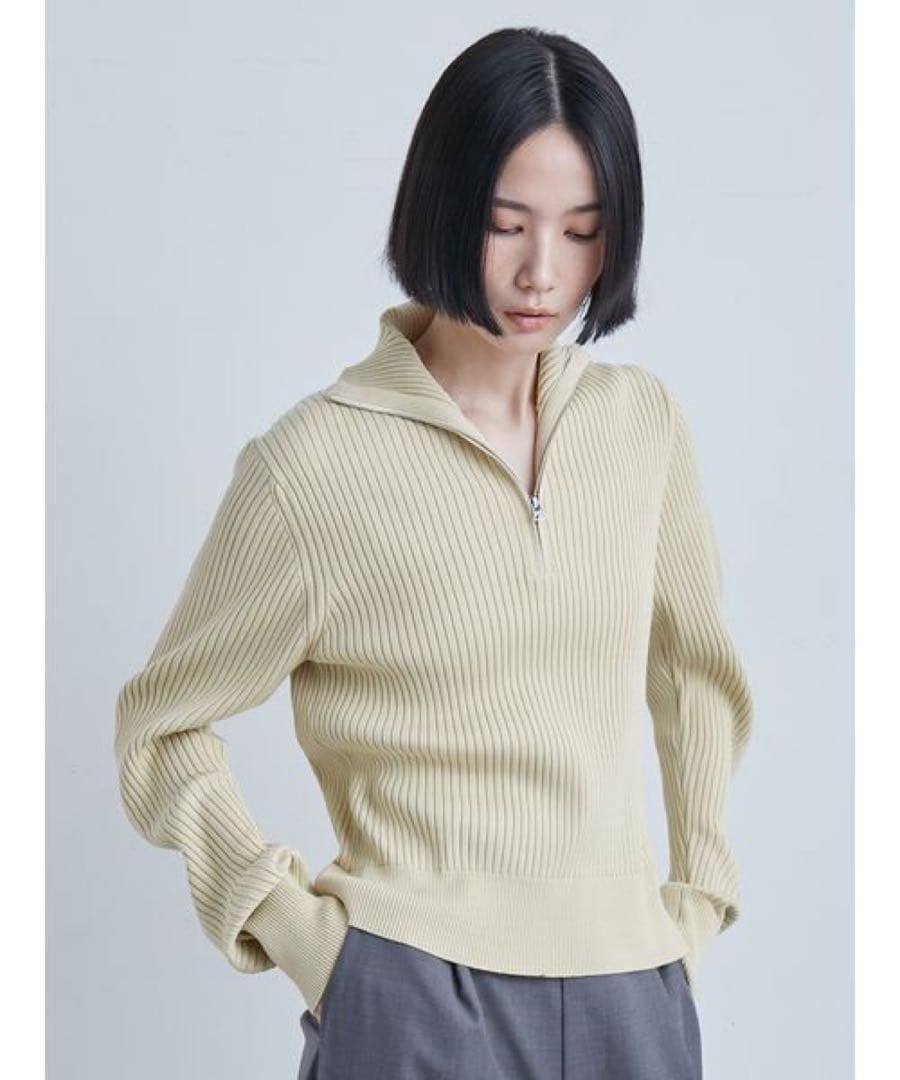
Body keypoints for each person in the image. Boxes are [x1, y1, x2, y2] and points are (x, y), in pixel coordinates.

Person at [114, 25, 754, 1079]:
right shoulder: (311, 465)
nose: (543, 272)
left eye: (583, 232)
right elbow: (161, 725)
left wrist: (696, 903)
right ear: (442, 206)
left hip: (630, 992)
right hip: (413, 989)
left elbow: (697, 675)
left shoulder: (643, 426)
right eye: (506, 225)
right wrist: (301, 934)